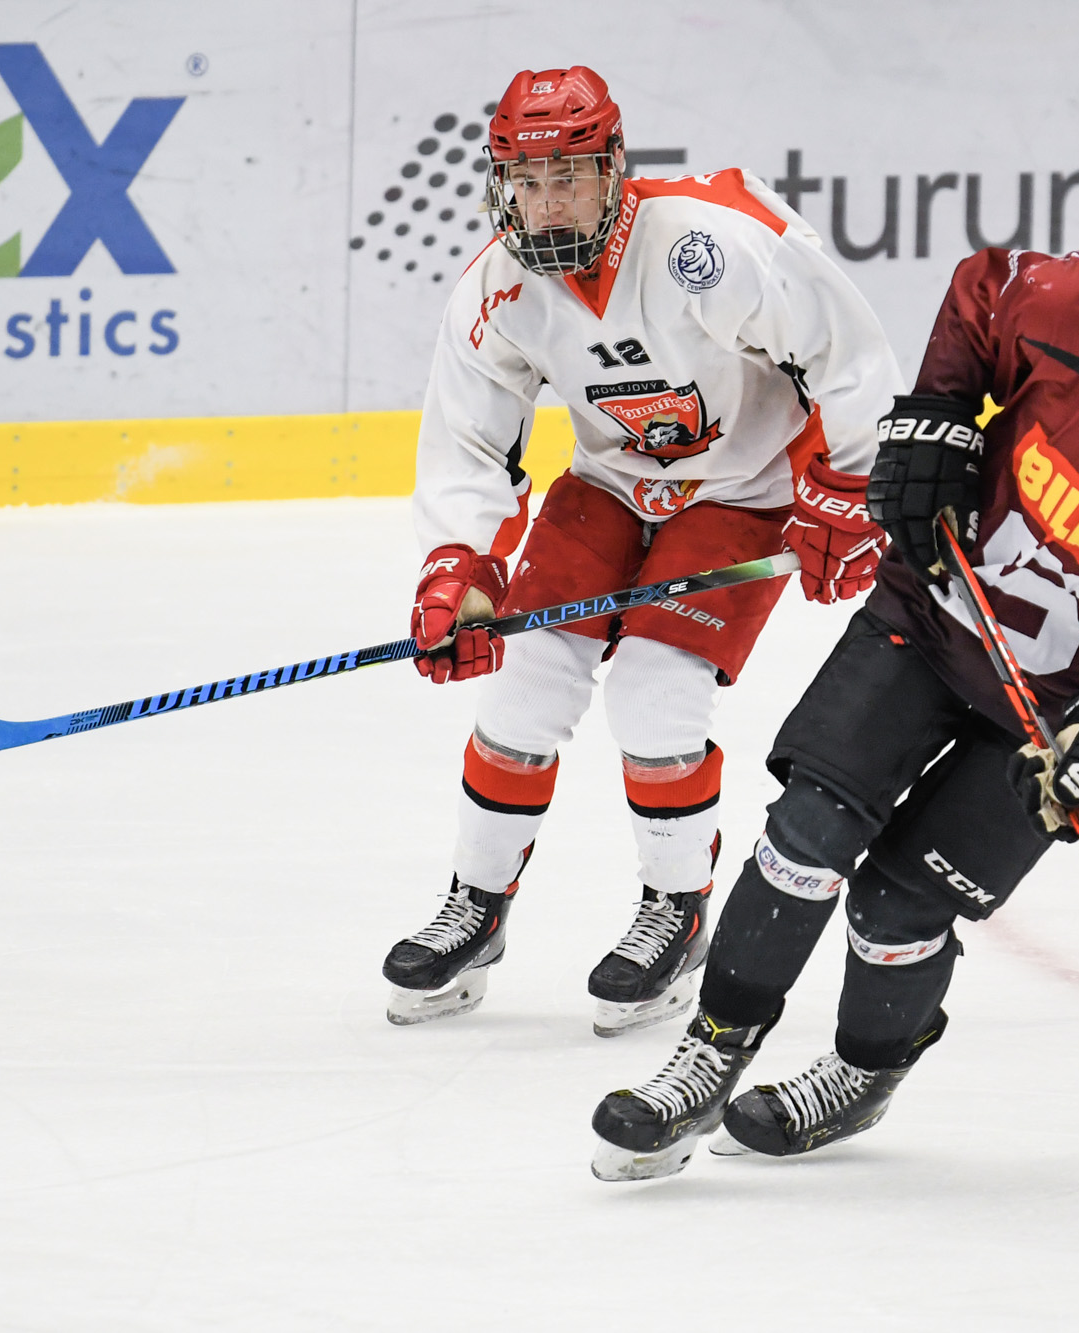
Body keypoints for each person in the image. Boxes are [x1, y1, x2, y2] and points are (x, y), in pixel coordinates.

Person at [590, 163, 1079, 1179]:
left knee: (900, 905)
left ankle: (862, 1070)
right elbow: (982, 290)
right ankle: (711, 1048)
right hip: (929, 613)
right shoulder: (1062, 304)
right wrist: (938, 415)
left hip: (1050, 711)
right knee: (806, 833)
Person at [385, 67, 902, 1036]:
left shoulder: (707, 243)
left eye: (567, 177)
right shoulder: (499, 290)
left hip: (742, 489)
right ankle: (477, 906)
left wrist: (853, 481)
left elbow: (846, 349)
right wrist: (459, 566)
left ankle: (677, 911)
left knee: (656, 692)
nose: (546, 203)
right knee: (523, 684)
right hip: (611, 484)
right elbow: (469, 444)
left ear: (613, 168)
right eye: (526, 182)